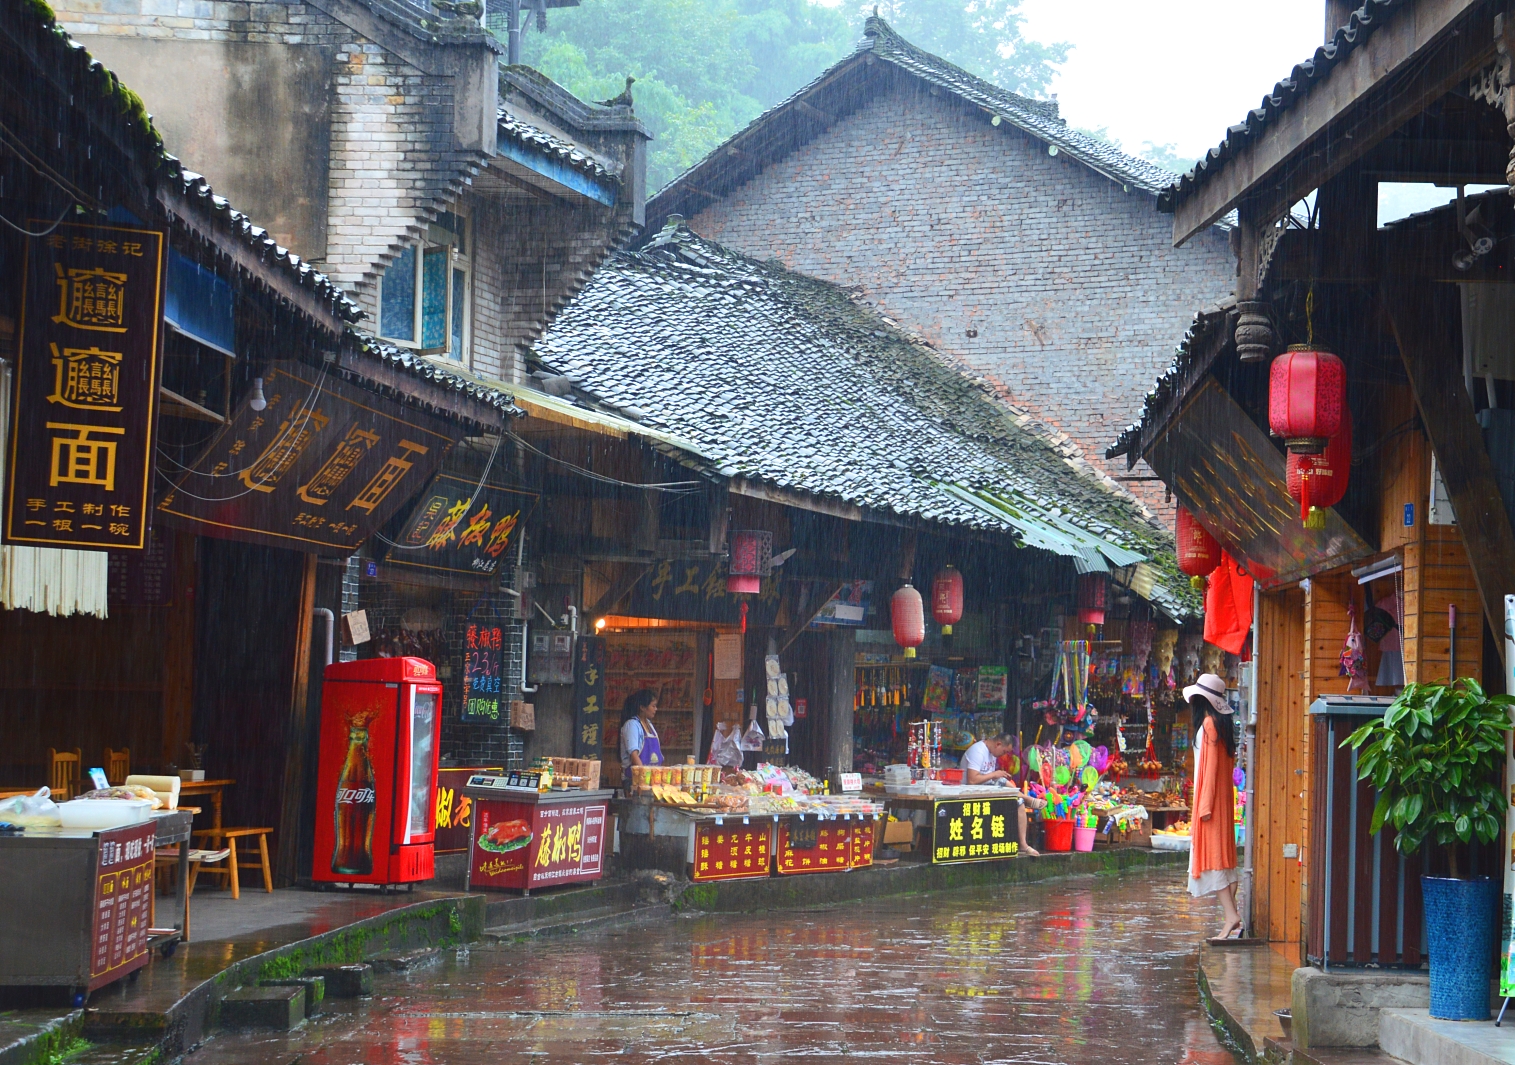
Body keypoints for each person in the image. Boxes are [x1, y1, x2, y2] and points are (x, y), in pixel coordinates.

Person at [1184, 672, 1241, 939]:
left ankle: (1231, 916)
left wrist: (1204, 807)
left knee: (1214, 859)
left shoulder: (1208, 724)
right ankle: (1233, 917)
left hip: (1211, 802)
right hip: (1222, 800)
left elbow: (1210, 770)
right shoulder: (1223, 725)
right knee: (1224, 858)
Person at [959, 733, 1045, 857]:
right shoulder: (978, 751)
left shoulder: (992, 753)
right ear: (998, 744)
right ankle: (1026, 798)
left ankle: (1023, 844)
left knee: (1016, 800)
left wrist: (996, 776)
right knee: (1000, 781)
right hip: (970, 792)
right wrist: (994, 774)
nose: (1003, 755)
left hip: (985, 789)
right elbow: (972, 780)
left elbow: (989, 779)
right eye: (1004, 751)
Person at [620, 689, 663, 768]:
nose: (656, 709)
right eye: (653, 706)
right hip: (636, 778)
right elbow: (634, 756)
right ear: (642, 707)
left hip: (652, 777)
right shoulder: (632, 725)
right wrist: (644, 775)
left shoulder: (649, 725)